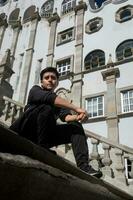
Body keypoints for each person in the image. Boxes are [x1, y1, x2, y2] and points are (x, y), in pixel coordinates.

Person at [10, 67, 102, 178]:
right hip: (25, 131)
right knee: (46, 107)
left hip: (45, 135)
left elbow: (66, 117)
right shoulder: (35, 90)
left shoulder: (58, 103)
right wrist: (77, 108)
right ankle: (42, 148)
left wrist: (79, 116)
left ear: (57, 82)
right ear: (42, 81)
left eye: (53, 78)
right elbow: (50, 98)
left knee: (75, 127)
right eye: (46, 78)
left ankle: (84, 166)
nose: (50, 80)